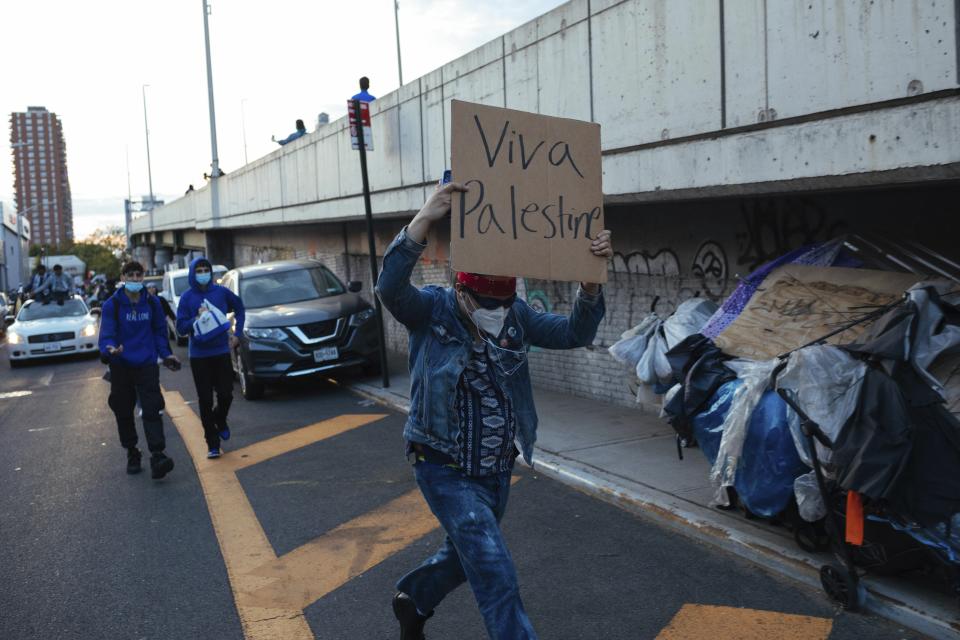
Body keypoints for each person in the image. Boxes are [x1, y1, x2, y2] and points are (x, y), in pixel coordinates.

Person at [375, 182, 613, 640]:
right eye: (484, 305)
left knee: (464, 556)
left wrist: (589, 280)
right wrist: (424, 218)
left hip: (495, 470)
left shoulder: (518, 317)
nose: (493, 312)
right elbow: (390, 288)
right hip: (442, 466)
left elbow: (575, 333)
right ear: (462, 290)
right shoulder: (434, 310)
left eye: (500, 305)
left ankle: (414, 601)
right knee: (494, 569)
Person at [99, 261, 181, 479]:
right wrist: (109, 349)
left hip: (146, 363)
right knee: (123, 409)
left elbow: (159, 332)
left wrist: (166, 354)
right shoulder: (112, 305)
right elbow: (107, 333)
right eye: (131, 275)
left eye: (139, 275)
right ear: (123, 277)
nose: (135, 279)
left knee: (153, 408)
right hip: (120, 364)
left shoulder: (152, 303)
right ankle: (132, 451)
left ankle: (157, 454)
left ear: (143, 277)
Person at [175, 257, 245, 459]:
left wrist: (237, 334)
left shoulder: (221, 292)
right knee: (205, 400)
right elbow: (180, 328)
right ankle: (212, 443)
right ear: (192, 273)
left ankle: (220, 419)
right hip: (199, 356)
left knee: (226, 394)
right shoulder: (187, 298)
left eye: (206, 269)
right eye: (199, 270)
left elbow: (240, 308)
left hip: (221, 352)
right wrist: (196, 319)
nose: (203, 273)